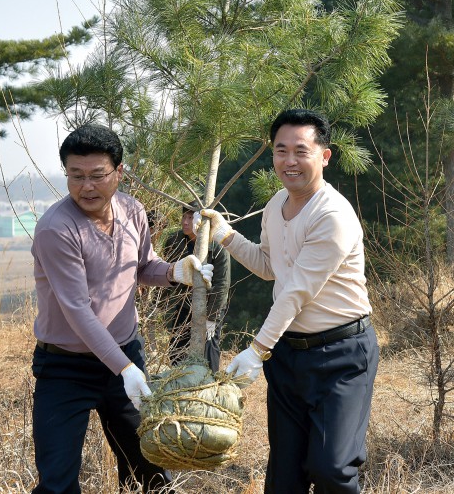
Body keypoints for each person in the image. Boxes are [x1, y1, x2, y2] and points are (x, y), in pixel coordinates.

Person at [196, 109, 378, 493]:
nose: (289, 161)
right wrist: (225, 235)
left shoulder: (332, 215)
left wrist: (256, 348)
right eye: (281, 151)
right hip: (289, 356)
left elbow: (296, 290)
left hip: (341, 354)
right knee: (284, 478)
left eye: (301, 151)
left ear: (324, 156)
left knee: (332, 469)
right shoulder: (277, 203)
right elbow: (269, 266)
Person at [30, 123, 214, 494]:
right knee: (57, 479)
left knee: (148, 469)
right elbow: (78, 311)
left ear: (119, 172)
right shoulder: (57, 229)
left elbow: (143, 266)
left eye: (98, 175)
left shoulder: (132, 210)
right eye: (76, 176)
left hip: (125, 355)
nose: (87, 187)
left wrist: (176, 271)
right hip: (66, 367)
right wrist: (127, 370)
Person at [159, 201, 231, 371]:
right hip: (183, 304)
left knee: (209, 350)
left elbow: (222, 283)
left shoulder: (217, 245)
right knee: (177, 351)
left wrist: (211, 318)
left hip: (210, 305)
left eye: (190, 217)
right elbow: (165, 271)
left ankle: (209, 385)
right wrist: (162, 307)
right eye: (183, 216)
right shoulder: (174, 240)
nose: (185, 221)